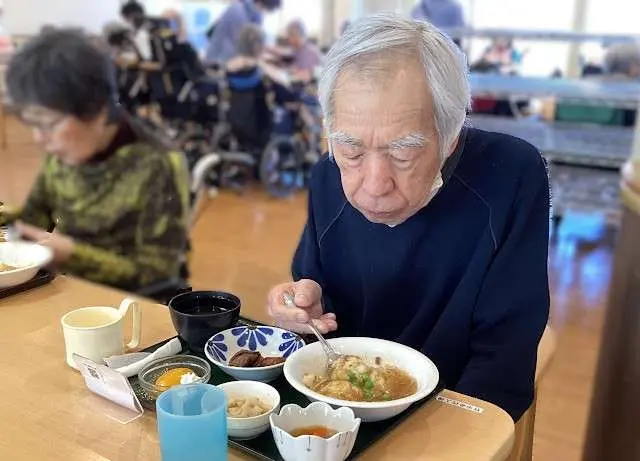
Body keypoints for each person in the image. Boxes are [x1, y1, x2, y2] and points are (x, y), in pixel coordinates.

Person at [266, 13, 550, 422]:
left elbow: (502, 362)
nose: (374, 185)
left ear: (450, 136)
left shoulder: (510, 176)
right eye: (351, 151)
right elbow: (316, 297)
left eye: (402, 154)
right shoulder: (327, 176)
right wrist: (301, 306)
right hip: (340, 412)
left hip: (449, 417)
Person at [3, 29, 190, 292]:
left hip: (133, 303)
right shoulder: (65, 149)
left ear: (97, 110)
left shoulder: (158, 163)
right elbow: (35, 216)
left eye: (49, 124)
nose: (39, 138)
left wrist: (71, 254)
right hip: (71, 288)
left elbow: (156, 273)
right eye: (33, 124)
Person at [205, 0, 281, 65]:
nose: (264, 12)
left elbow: (256, 40)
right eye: (267, 9)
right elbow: (244, 46)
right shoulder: (238, 11)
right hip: (220, 62)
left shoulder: (256, 14)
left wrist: (271, 50)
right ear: (260, 3)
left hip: (234, 59)